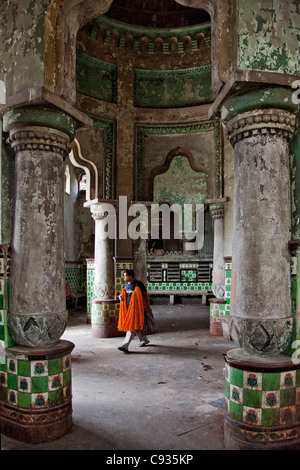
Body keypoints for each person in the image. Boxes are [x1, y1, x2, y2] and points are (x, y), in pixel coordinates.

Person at [117, 269, 151, 353]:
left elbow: (146, 295)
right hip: (128, 309)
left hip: (138, 309)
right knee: (137, 326)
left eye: (125, 275)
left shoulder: (138, 284)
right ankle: (144, 340)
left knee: (131, 326)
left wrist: (148, 306)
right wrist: (120, 297)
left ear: (131, 276)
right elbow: (125, 295)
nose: (124, 277)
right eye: (124, 275)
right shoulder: (126, 285)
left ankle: (125, 345)